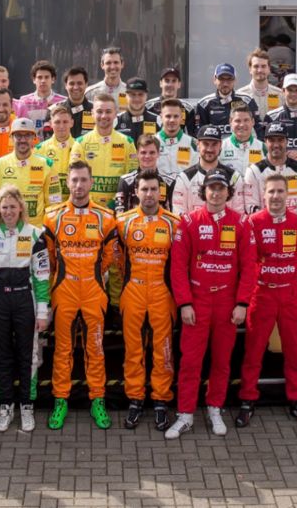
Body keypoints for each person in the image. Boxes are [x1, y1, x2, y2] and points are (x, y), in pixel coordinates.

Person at [165, 169, 253, 440]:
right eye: (211, 188)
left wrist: (242, 303)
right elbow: (177, 267)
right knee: (191, 361)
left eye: (221, 188)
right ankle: (185, 414)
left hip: (227, 303)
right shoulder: (189, 222)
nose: (216, 193)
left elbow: (250, 267)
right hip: (197, 302)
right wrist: (184, 303)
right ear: (203, 192)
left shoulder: (240, 223)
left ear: (229, 192)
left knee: (222, 361)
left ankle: (215, 407)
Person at [235, 173, 297, 428]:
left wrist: (290, 274)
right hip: (261, 294)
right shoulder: (252, 222)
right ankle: (248, 399)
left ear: (288, 195)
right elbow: (245, 260)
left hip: (290, 293)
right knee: (254, 351)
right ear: (263, 195)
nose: (276, 196)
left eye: (280, 191)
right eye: (271, 192)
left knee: (294, 350)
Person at [43, 161, 120, 430]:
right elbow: (49, 257)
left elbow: (109, 256)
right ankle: (60, 399)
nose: (78, 186)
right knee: (62, 349)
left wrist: (93, 275)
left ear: (91, 182)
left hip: (93, 289)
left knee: (95, 349)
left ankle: (97, 398)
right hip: (63, 289)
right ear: (67, 183)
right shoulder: (52, 216)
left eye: (83, 180)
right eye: (74, 180)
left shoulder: (106, 217)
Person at [0, 185, 51, 433]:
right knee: (1, 356)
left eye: (12, 206)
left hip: (24, 300)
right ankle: (6, 405)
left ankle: (27, 407)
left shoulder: (35, 234)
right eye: (4, 207)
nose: (8, 211)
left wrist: (42, 313)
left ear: (21, 208)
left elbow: (41, 277)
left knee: (28, 356)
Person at [117, 171, 183, 431]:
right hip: (132, 291)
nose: (149, 194)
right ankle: (135, 399)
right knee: (133, 349)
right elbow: (115, 259)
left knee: (163, 350)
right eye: (144, 189)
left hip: (162, 293)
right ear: (136, 192)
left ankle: (160, 400)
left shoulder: (174, 223)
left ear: (161, 192)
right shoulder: (122, 222)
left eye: (154, 189)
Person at [69, 94, 138, 210]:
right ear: (92, 113)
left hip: (118, 208)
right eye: (99, 111)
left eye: (108, 111)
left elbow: (132, 179)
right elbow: (74, 179)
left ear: (116, 113)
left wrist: (116, 203)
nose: (103, 116)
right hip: (88, 208)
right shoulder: (81, 143)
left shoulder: (127, 143)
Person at [0, 118, 60, 218]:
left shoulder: (47, 165)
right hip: (7, 228)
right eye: (18, 135)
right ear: (11, 137)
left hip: (35, 230)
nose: (23, 140)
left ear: (34, 137)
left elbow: (54, 204)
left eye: (27, 135)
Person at [114, 134, 174, 214]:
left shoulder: (169, 182)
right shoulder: (125, 181)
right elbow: (120, 214)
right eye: (143, 152)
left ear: (158, 153)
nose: (147, 156)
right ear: (137, 154)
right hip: (133, 225)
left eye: (152, 152)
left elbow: (174, 214)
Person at [193, 63, 257, 139]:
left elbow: (258, 128)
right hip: (215, 148)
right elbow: (199, 133)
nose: (225, 83)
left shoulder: (247, 100)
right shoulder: (204, 104)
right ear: (214, 80)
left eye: (229, 79)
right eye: (221, 79)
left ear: (235, 80)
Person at [14, 60, 67, 133]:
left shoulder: (63, 102)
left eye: (46, 77)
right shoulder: (24, 101)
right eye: (39, 77)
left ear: (53, 79)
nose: (43, 80)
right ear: (34, 80)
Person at [154, 97, 197, 176]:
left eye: (176, 116)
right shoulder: (152, 142)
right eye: (168, 116)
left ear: (181, 118)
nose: (172, 120)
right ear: (161, 117)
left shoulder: (193, 144)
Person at [218, 104, 265, 175]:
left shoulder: (263, 147)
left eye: (246, 120)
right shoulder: (220, 147)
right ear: (230, 122)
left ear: (253, 122)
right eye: (238, 121)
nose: (242, 125)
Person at [236, 49, 282, 116]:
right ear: (250, 69)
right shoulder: (240, 96)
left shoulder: (280, 95)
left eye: (263, 66)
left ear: (269, 69)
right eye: (256, 66)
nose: (260, 70)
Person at [62, 67, 95, 137]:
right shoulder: (55, 111)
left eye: (79, 83)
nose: (76, 87)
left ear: (86, 84)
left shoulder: (96, 110)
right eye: (71, 83)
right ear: (65, 86)